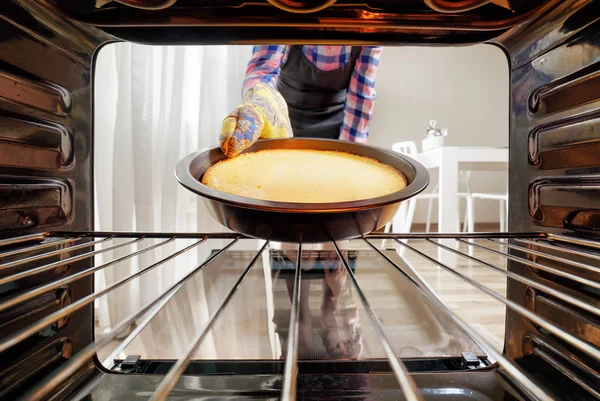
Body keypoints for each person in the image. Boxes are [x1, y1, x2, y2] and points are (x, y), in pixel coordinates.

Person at [219, 45, 383, 157]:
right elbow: (264, 70)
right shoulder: (288, 6)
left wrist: (351, 155)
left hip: (335, 127)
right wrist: (260, 106)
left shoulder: (366, 19)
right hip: (284, 122)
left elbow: (360, 96)